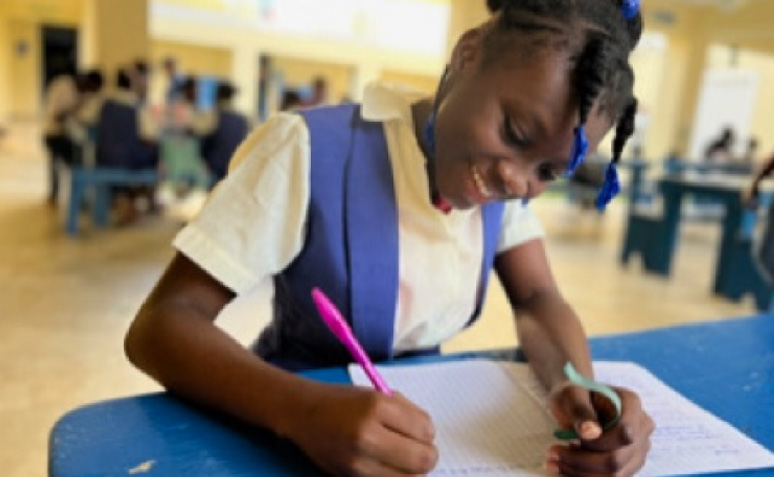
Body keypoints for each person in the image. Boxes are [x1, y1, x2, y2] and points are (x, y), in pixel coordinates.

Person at [125, 1, 654, 476]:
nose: (518, 181)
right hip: (284, 432)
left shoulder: (499, 193)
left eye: (548, 172)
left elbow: (538, 299)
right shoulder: (308, 151)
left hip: (420, 439)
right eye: (514, 134)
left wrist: (578, 386)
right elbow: (161, 325)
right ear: (468, 54)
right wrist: (299, 411)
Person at [200, 81, 250, 186]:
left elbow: (204, 143)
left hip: (216, 169)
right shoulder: (242, 120)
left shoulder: (213, 116)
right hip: (235, 168)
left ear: (218, 96)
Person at [42, 69, 80, 206]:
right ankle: (56, 194)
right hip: (55, 134)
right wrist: (75, 110)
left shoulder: (67, 86)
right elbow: (57, 115)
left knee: (64, 164)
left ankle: (71, 194)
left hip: (61, 133)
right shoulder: (64, 88)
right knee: (60, 164)